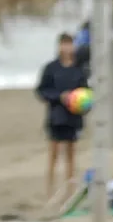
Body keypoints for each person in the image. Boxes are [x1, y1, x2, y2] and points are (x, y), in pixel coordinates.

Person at [36, 33, 90, 201]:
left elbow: (86, 91)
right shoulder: (51, 68)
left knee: (71, 154)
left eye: (69, 44)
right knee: (54, 152)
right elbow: (41, 90)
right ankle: (50, 188)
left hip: (73, 116)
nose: (67, 48)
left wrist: (81, 101)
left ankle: (70, 189)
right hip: (56, 116)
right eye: (64, 44)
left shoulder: (79, 69)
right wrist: (59, 96)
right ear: (59, 46)